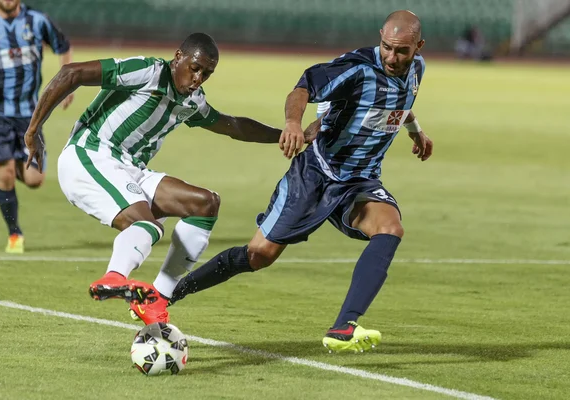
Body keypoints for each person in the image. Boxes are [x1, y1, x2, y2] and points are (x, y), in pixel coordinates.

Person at [163, 10, 434, 353]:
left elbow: (399, 102)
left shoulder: (417, 70)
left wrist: (415, 131)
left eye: (402, 51)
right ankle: (169, 292)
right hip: (315, 174)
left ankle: (343, 326)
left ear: (418, 47)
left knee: (390, 228)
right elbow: (304, 86)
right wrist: (293, 123)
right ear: (380, 36)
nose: (393, 57)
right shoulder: (357, 68)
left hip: (359, 182)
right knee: (259, 255)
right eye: (387, 47)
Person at [24, 33, 317, 326]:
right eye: (196, 67)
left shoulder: (192, 102)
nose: (199, 77)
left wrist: (289, 134)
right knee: (145, 225)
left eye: (207, 73)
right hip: (90, 156)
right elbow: (71, 72)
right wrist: (34, 128)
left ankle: (157, 300)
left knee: (204, 203)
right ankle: (113, 278)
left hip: (129, 167)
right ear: (178, 57)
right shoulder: (148, 71)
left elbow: (234, 126)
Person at [0, 0, 72, 253]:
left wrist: (66, 84)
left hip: (30, 112)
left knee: (34, 179)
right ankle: (15, 233)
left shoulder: (38, 21)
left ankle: (4, 157)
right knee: (4, 174)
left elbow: (63, 46)